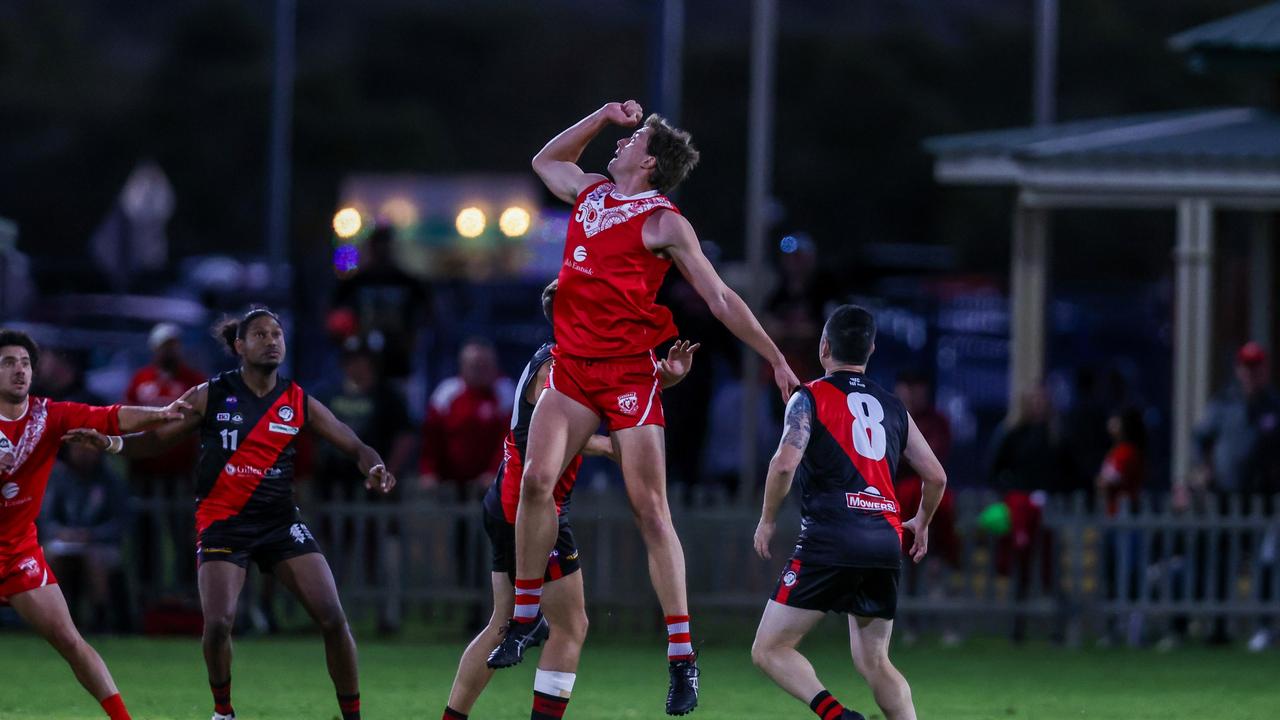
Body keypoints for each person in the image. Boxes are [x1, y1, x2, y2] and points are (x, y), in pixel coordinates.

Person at [496, 98, 800, 715]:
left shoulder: (664, 222)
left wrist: (774, 357)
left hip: (629, 374)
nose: (620, 145)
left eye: (633, 139)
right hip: (575, 369)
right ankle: (526, 616)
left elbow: (719, 297)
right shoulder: (589, 194)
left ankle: (683, 657)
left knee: (651, 510)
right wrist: (604, 116)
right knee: (535, 480)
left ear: (652, 161)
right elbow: (544, 159)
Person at [64, 308, 396, 720]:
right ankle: (223, 712)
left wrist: (375, 466)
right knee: (219, 623)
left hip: (279, 522)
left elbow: (353, 444)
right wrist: (112, 444)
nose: (272, 340)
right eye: (260, 334)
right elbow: (155, 440)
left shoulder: (297, 400)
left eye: (277, 333)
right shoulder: (210, 394)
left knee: (332, 617)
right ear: (239, 346)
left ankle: (352, 716)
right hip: (223, 521)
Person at [444, 279, 699, 720]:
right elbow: (576, 436)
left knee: (503, 622)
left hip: (508, 499)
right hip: (529, 507)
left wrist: (661, 384)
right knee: (570, 626)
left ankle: (453, 716)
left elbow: (611, 400)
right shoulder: (557, 368)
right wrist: (627, 445)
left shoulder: (564, 360)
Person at [750, 306, 946, 720]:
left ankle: (837, 716)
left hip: (831, 537)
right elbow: (936, 476)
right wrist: (922, 523)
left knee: (769, 648)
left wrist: (767, 519)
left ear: (824, 347)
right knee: (875, 662)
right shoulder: (894, 406)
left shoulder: (809, 397)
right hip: (884, 539)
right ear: (870, 349)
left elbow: (784, 463)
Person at [0, 328, 188, 720]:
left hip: (18, 552)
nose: (19, 370)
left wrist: (160, 414)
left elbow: (111, 418)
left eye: (25, 363)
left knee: (70, 640)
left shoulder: (48, 415)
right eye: (7, 363)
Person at [313, 334, 416, 634]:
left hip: (376, 489)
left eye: (363, 361)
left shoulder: (388, 396)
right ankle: (331, 614)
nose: (358, 367)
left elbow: (405, 435)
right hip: (334, 488)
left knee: (382, 552)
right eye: (352, 361)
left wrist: (389, 474)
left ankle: (388, 614)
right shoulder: (327, 394)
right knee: (332, 552)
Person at [123, 322, 204, 599]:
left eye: (174, 345)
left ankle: (187, 592)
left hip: (180, 474)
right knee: (146, 536)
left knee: (184, 534)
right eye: (164, 345)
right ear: (155, 349)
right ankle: (147, 593)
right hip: (145, 473)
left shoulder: (193, 381)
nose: (170, 350)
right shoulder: (141, 380)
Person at [41, 441, 132, 632]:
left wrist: (92, 535)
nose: (84, 455)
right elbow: (45, 518)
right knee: (54, 559)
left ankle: (100, 617)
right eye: (79, 450)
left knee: (95, 560)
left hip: (100, 543)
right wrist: (62, 532)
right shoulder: (57, 477)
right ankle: (59, 616)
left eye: (89, 450)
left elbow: (120, 522)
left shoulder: (110, 479)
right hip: (63, 541)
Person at [330, 225, 431, 380]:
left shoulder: (407, 281)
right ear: (371, 247)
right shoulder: (357, 282)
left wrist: (413, 337)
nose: (381, 250)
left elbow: (426, 312)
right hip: (362, 358)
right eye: (378, 245)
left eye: (385, 245)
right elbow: (335, 315)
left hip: (398, 358)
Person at [419, 338, 514, 501]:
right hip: (451, 480)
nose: (481, 371)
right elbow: (432, 439)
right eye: (475, 366)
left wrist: (496, 472)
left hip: (493, 481)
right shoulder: (446, 393)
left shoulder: (506, 392)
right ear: (462, 367)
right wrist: (429, 472)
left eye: (486, 366)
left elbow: (509, 439)